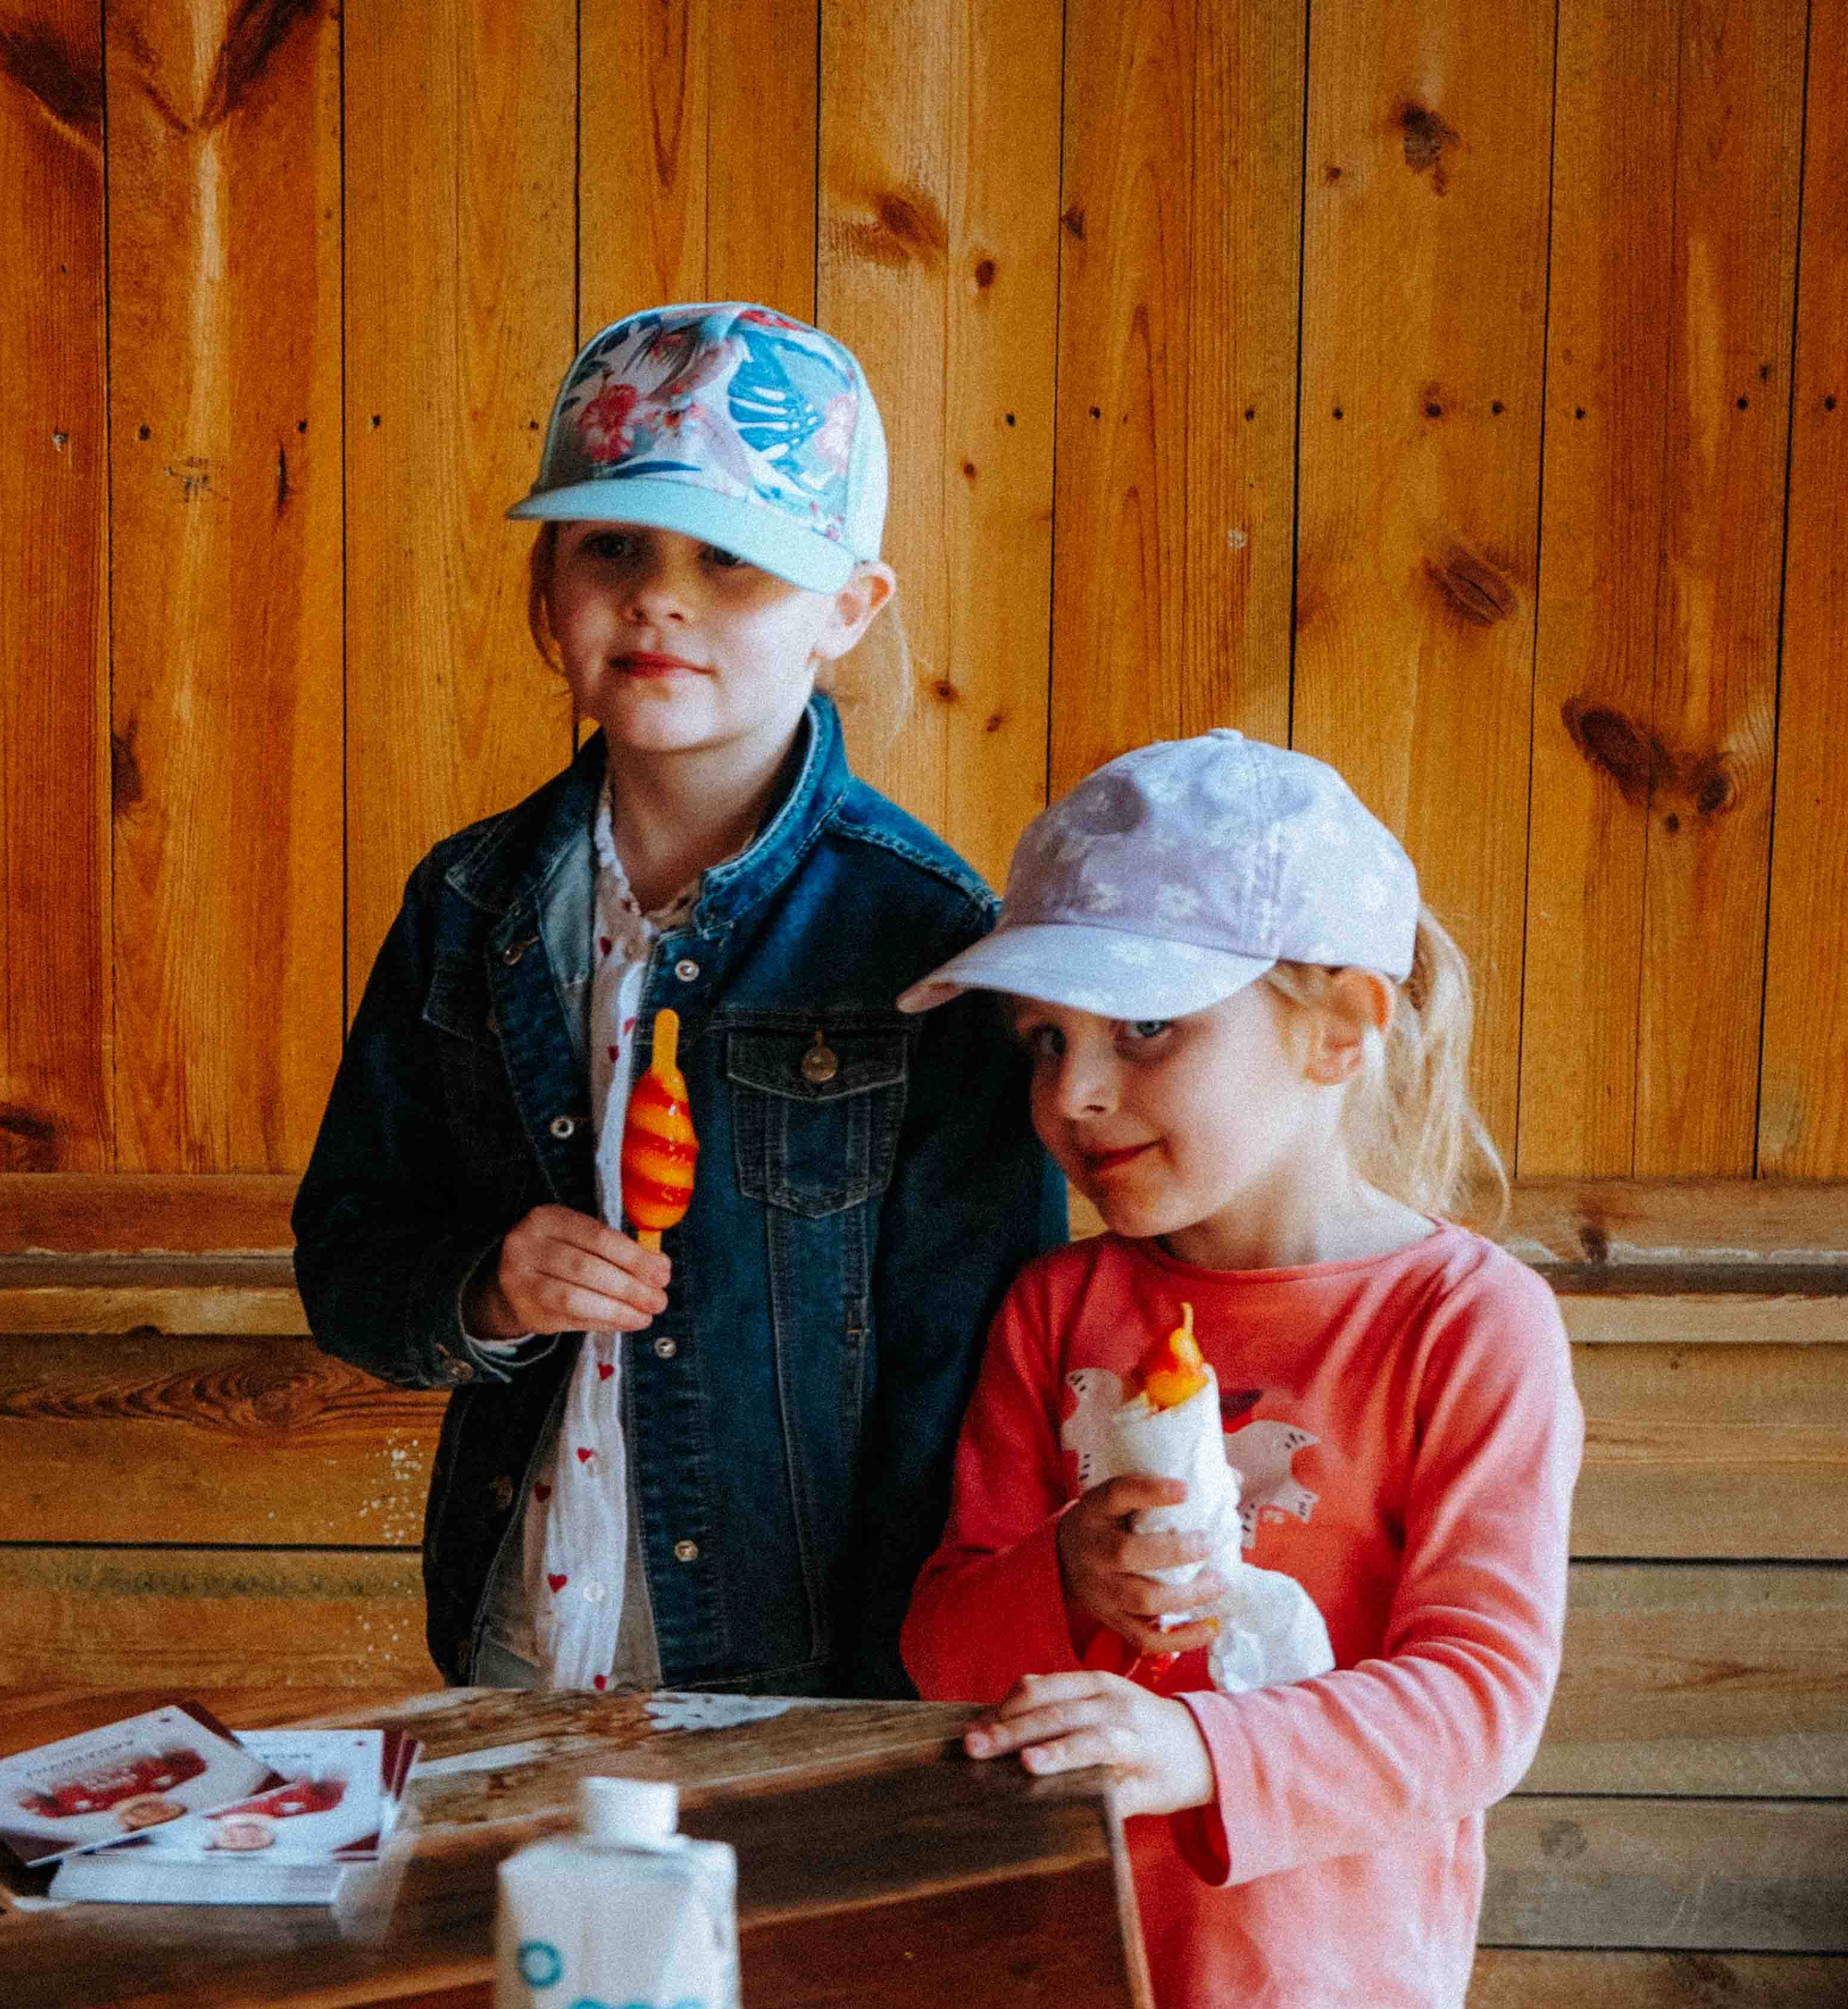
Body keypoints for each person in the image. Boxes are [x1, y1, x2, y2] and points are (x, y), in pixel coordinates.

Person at [295, 302, 1064, 1698]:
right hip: (517, 1636)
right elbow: (347, 1257)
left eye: (732, 557)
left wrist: (897, 1722)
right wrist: (489, 1285)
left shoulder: (929, 944)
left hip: (807, 1676)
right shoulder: (466, 909)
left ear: (848, 605)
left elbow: (968, 1379)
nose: (661, 594)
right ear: (547, 589)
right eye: (611, 547)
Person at [896, 732, 1584, 2008]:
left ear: (1336, 1031)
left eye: (1145, 1024)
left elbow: (1480, 1699)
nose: (1077, 1091)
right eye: (1043, 1039)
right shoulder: (1057, 1308)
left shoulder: (1469, 1322)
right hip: (1039, 1957)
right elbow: (942, 1648)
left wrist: (1196, 1745)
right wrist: (1058, 1573)